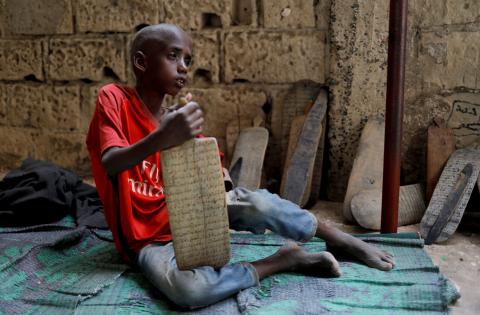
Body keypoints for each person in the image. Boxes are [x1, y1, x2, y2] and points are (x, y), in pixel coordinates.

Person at [86, 24, 394, 309]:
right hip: (148, 240)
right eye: (173, 56)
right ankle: (282, 261)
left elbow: (212, 173)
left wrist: (220, 184)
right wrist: (162, 137)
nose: (183, 67)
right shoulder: (114, 99)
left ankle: (338, 237)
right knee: (189, 292)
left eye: (188, 60)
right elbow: (111, 162)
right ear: (141, 62)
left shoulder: (175, 116)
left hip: (189, 214)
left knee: (257, 202)